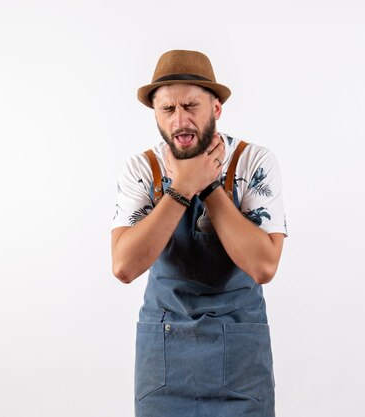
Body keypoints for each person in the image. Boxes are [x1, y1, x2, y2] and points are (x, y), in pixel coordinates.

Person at [111, 49, 287, 417]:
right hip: (164, 355)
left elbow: (263, 267)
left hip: (240, 356)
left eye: (191, 106)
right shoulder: (143, 169)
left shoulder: (253, 161)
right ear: (156, 114)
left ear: (217, 107)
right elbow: (124, 266)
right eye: (168, 110)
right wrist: (182, 188)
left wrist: (210, 187)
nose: (180, 120)